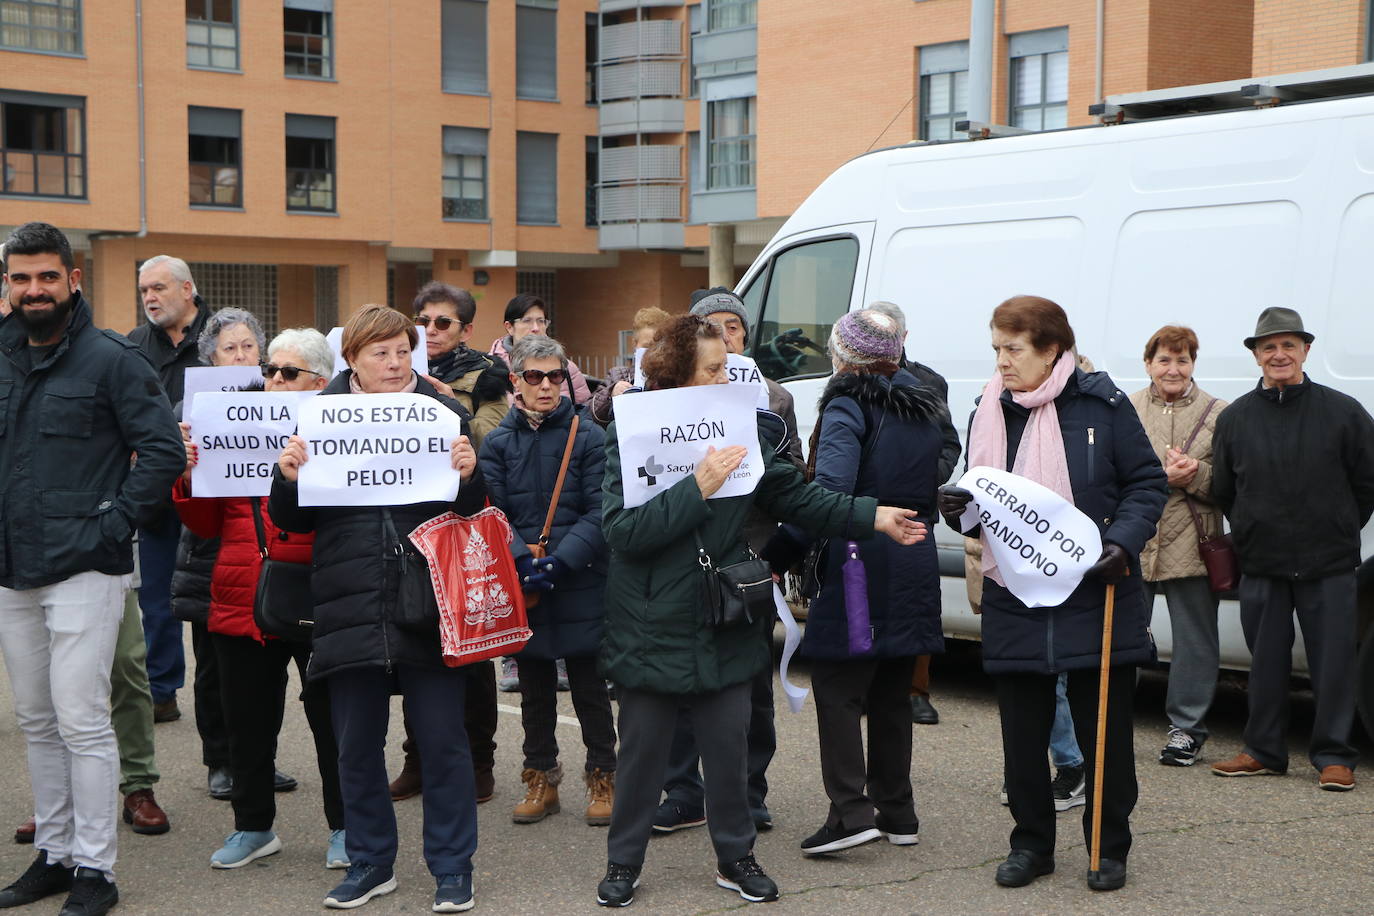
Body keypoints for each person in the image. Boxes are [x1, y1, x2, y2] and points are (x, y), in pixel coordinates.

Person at [594, 314, 928, 908]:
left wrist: (872, 516)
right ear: (678, 376)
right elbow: (623, 533)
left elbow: (797, 495)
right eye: (716, 369)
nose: (730, 377)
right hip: (650, 621)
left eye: (727, 365)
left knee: (730, 747)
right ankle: (624, 861)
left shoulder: (739, 428)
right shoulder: (629, 435)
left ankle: (736, 855)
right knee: (643, 752)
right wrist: (693, 488)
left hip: (726, 611)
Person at [937, 295, 1166, 892]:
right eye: (996, 349)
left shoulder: (1103, 405)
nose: (1002, 362)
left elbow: (1146, 483)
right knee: (1021, 737)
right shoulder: (989, 409)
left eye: (1012, 350)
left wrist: (1122, 541)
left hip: (1098, 591)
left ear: (1051, 350)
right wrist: (957, 508)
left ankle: (1106, 845)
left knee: (1104, 733)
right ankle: (1032, 844)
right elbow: (979, 495)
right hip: (1015, 592)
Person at [270, 305, 486, 912]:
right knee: (355, 743)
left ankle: (451, 867)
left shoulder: (445, 414)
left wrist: (471, 477)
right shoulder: (318, 418)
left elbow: (474, 513)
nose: (393, 364)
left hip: (429, 596)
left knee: (443, 739)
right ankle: (369, 862)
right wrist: (286, 478)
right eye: (380, 353)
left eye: (401, 352)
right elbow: (290, 520)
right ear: (352, 360)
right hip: (349, 598)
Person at [0, 222, 183, 916]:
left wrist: (113, 522)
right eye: (21, 277)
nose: (34, 289)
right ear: (8, 283)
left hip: (87, 565)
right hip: (12, 566)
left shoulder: (111, 358)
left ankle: (96, 871)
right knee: (37, 718)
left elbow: (163, 450)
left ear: (72, 280)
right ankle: (53, 853)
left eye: (47, 276)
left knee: (81, 719)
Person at [763, 309, 946, 855]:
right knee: (891, 688)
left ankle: (849, 812)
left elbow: (829, 496)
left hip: (857, 561)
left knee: (839, 688)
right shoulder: (924, 403)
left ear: (846, 355)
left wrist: (780, 550)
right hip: (913, 553)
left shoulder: (847, 404)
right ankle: (898, 810)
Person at [173, 327, 346, 871]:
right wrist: (187, 471)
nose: (273, 379)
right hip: (239, 595)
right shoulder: (230, 427)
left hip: (321, 595)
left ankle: (345, 827)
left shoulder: (344, 428)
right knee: (246, 722)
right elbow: (203, 523)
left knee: (334, 722)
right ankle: (252, 827)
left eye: (287, 372)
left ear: (319, 382)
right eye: (270, 370)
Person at [645, 289, 804, 838]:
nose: (727, 337)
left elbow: (793, 481)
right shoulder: (659, 398)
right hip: (683, 562)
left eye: (734, 327)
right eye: (714, 328)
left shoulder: (773, 398)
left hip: (748, 561)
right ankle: (686, 792)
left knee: (750, 687)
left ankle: (748, 790)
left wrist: (777, 555)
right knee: (683, 687)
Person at [1209, 307, 1374, 790]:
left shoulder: (1343, 411)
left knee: (1335, 663)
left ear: (1305, 350)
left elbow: (1368, 483)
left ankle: (1334, 756)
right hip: (1262, 562)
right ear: (1256, 355)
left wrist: (1341, 526)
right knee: (1265, 664)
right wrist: (1253, 528)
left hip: (1328, 562)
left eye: (1288, 345)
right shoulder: (1236, 418)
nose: (1278, 354)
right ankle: (1263, 750)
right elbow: (1224, 489)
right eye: (1268, 347)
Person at [479, 335, 617, 827]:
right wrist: (519, 558)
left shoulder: (589, 436)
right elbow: (490, 511)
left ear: (565, 377)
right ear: (515, 379)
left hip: (580, 578)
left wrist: (565, 560)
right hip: (525, 581)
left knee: (590, 686)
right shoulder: (495, 442)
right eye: (534, 376)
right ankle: (540, 777)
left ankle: (604, 776)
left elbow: (603, 509)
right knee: (534, 687)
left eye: (555, 376)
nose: (545, 386)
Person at [387, 282, 510, 805]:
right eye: (423, 321)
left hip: (462, 522)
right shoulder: (394, 377)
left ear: (465, 329)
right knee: (414, 650)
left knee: (470, 650)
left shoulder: (488, 377)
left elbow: (489, 440)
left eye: (442, 322)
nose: (430, 331)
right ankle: (417, 758)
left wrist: (440, 407)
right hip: (406, 527)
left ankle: (479, 760)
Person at [168, 307, 295, 802]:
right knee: (215, 667)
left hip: (268, 549)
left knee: (267, 664)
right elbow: (175, 486)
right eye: (230, 348)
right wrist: (185, 464)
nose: (241, 356)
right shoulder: (190, 410)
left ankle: (259, 759)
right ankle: (221, 760)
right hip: (209, 554)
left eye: (248, 347)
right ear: (210, 359)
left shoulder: (284, 401)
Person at [1129, 325, 1228, 767]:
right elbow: (1111, 475)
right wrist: (1159, 479)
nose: (1173, 369)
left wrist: (1199, 475)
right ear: (1148, 363)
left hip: (1194, 540)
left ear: (1193, 365)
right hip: (1137, 539)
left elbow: (1233, 483)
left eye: (1182, 360)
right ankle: (1110, 720)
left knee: (1195, 641)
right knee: (1125, 635)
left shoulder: (1218, 414)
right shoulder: (1126, 409)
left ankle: (1186, 729)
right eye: (1164, 359)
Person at [867, 300, 962, 727]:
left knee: (917, 605)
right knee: (869, 602)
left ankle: (917, 690)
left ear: (903, 338)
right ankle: (872, 684)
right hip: (867, 512)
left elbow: (948, 444)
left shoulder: (928, 382)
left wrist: (924, 482)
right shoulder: (852, 380)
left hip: (916, 511)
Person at [127, 255, 212, 724]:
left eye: (158, 288)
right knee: (156, 598)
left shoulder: (220, 338)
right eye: (144, 291)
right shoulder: (133, 345)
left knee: (210, 598)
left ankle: (218, 695)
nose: (150, 298)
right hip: (158, 494)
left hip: (212, 491)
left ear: (187, 289)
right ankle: (161, 690)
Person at [490, 294, 591, 405]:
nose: (535, 328)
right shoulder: (491, 370)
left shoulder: (566, 368)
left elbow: (583, 412)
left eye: (541, 321)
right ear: (509, 327)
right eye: (527, 320)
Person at [589, 306, 672, 426]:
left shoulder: (679, 378)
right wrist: (611, 394)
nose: (653, 352)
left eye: (660, 346)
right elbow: (591, 414)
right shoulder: (618, 375)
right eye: (648, 346)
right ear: (635, 344)